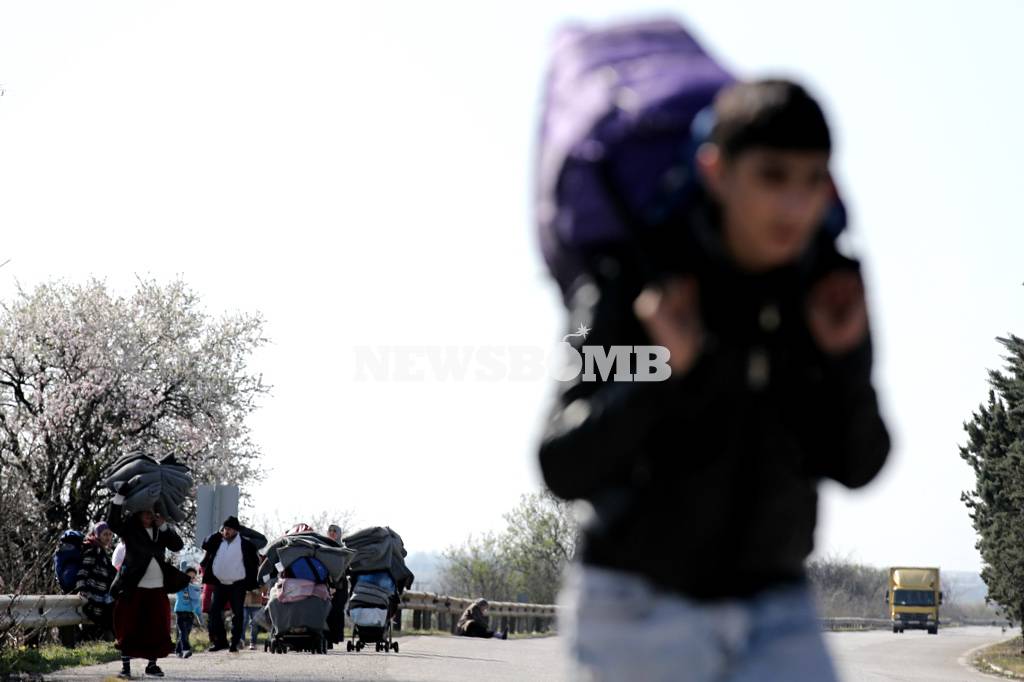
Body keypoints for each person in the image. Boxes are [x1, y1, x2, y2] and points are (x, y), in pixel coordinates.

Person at [538, 79, 890, 681]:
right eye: (773, 177)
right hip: (639, 608)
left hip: (777, 607)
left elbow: (858, 463)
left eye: (812, 180)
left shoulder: (822, 288)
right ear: (716, 172)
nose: (795, 206)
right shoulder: (635, 282)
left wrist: (844, 361)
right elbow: (562, 462)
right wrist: (660, 370)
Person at [106, 493, 187, 679]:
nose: (150, 516)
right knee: (128, 626)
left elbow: (177, 545)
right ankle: (125, 667)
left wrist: (164, 526)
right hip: (133, 587)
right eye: (146, 513)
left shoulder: (161, 531)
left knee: (157, 628)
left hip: (157, 588)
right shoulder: (130, 530)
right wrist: (118, 498)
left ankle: (152, 665)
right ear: (138, 514)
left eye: (153, 513)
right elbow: (113, 523)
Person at [200, 516, 266, 653]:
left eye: (229, 529)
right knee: (214, 612)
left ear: (236, 530)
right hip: (220, 584)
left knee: (238, 614)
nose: (226, 531)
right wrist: (218, 532)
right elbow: (205, 543)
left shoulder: (245, 543)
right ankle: (221, 641)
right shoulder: (218, 541)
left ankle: (235, 642)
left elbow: (262, 540)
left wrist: (243, 530)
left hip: (238, 584)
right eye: (224, 529)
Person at [73, 521, 116, 638]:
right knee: (103, 623)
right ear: (97, 535)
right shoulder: (92, 551)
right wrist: (83, 591)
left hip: (102, 596)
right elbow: (83, 571)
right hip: (94, 597)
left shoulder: (102, 552)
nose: (108, 537)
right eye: (105, 534)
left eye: (110, 534)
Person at [173, 567, 203, 658]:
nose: (191, 579)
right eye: (189, 577)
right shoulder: (180, 586)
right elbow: (179, 593)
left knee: (186, 633)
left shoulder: (194, 589)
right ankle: (186, 649)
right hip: (180, 612)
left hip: (190, 614)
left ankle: (178, 650)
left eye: (193, 577)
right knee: (183, 632)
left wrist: (199, 615)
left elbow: (197, 603)